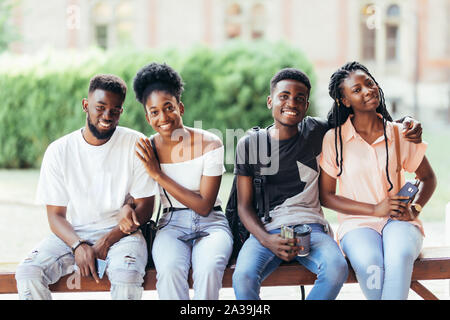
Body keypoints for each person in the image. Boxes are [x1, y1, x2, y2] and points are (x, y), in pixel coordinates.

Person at [231, 67, 423, 300]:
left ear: (307, 105)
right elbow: (244, 206)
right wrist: (267, 239)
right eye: (284, 96)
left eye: (299, 98)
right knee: (242, 278)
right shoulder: (251, 144)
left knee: (336, 268)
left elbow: (363, 116)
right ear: (270, 101)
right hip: (267, 230)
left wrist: (406, 123)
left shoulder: (318, 131)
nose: (291, 103)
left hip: (311, 228)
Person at [15, 74, 157, 300]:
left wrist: (107, 240)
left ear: (121, 111)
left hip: (122, 235)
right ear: (85, 105)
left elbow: (146, 208)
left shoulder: (136, 144)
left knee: (127, 276)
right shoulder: (59, 151)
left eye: (115, 110)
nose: (107, 116)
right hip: (73, 232)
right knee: (28, 272)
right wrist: (78, 245)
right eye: (100, 107)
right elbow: (55, 216)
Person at [319, 61, 437, 300]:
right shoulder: (334, 140)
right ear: (345, 101)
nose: (368, 90)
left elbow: (428, 178)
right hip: (358, 225)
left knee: (400, 256)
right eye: (357, 89)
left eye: (369, 83)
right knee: (371, 265)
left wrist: (415, 209)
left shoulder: (399, 133)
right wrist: (374, 209)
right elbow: (326, 196)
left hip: (399, 221)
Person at [119, 62, 233, 300]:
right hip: (171, 223)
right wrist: (126, 206)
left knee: (208, 269)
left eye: (168, 107)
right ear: (147, 115)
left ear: (180, 107)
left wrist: (158, 174)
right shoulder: (146, 148)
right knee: (170, 270)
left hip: (211, 222)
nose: (163, 117)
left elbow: (203, 205)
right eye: (154, 111)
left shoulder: (210, 143)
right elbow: (134, 193)